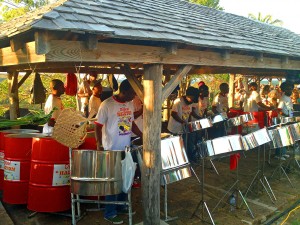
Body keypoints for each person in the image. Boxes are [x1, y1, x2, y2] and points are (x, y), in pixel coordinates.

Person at [95, 79, 142, 224]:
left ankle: (121, 206)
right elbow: (98, 125)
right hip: (112, 149)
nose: (134, 97)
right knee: (113, 182)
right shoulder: (107, 104)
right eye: (133, 93)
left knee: (125, 179)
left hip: (126, 148)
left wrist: (142, 135)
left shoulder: (128, 103)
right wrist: (99, 143)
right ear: (125, 91)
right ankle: (109, 213)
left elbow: (130, 123)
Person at [167, 86, 200, 162]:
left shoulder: (190, 103)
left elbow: (189, 113)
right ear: (189, 96)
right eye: (192, 99)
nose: (192, 102)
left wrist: (188, 123)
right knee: (176, 147)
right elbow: (173, 114)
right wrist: (182, 122)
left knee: (183, 146)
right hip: (175, 128)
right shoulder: (178, 101)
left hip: (183, 128)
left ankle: (183, 161)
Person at [274, 82, 294, 160]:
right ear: (284, 90)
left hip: (287, 120)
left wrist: (291, 117)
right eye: (288, 89)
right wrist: (287, 116)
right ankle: (278, 155)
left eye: (291, 89)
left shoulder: (288, 98)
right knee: (281, 137)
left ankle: (283, 153)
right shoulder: (283, 98)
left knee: (286, 136)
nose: (291, 90)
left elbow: (291, 109)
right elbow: (279, 110)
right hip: (282, 120)